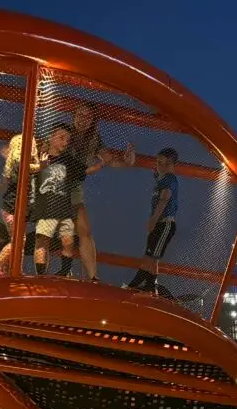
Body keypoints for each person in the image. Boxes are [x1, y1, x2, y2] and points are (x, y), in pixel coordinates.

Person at [69, 104, 134, 282]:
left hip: (74, 188)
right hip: (54, 185)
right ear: (73, 116)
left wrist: (126, 162)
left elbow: (109, 160)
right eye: (79, 114)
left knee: (84, 230)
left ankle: (93, 277)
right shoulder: (65, 132)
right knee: (51, 230)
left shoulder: (94, 140)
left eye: (88, 117)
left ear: (93, 122)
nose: (83, 119)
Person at [0, 132, 42, 276]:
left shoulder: (17, 162)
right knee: (18, 241)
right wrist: (41, 165)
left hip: (15, 208)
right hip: (13, 208)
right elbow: (28, 168)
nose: (34, 148)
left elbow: (3, 183)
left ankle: (14, 270)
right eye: (32, 146)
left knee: (20, 241)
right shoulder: (19, 163)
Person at [34, 125, 87, 276]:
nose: (65, 142)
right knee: (43, 239)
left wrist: (102, 164)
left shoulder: (68, 160)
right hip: (45, 205)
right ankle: (41, 274)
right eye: (61, 138)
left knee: (68, 240)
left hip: (64, 206)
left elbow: (84, 171)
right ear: (51, 137)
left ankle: (64, 271)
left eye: (67, 140)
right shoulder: (39, 155)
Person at [128, 147, 178, 292]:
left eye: (167, 164)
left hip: (164, 223)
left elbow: (165, 197)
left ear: (173, 166)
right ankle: (149, 287)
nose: (162, 166)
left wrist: (153, 219)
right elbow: (157, 174)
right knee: (154, 257)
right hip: (160, 223)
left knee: (149, 257)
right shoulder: (161, 177)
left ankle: (133, 285)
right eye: (159, 163)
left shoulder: (170, 179)